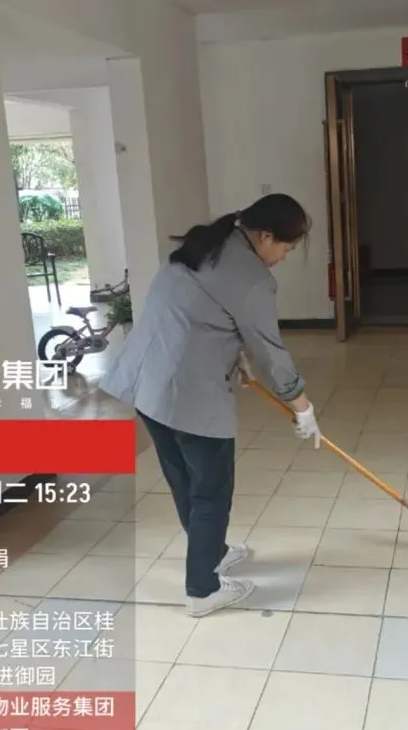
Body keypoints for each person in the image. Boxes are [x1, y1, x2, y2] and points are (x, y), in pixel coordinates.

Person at [100, 194, 321, 617]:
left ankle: (212, 552)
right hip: (189, 397)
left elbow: (197, 315)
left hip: (148, 387)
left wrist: (232, 355)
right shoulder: (252, 278)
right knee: (211, 492)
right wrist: (302, 406)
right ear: (265, 236)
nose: (283, 258)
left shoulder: (206, 244)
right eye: (286, 248)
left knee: (184, 480)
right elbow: (270, 351)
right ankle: (203, 590)